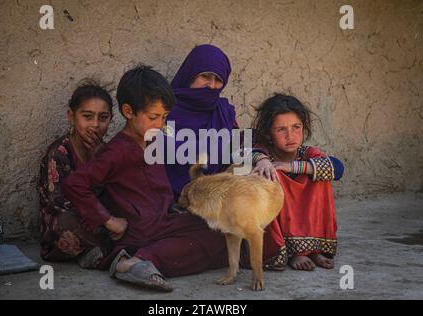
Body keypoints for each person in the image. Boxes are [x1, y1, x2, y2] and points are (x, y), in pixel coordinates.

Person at [61, 65, 228, 292]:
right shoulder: (118, 151)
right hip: (139, 230)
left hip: (163, 222)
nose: (160, 125)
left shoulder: (154, 140)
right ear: (128, 112)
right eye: (153, 117)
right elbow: (75, 184)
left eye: (165, 117)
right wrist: (108, 220)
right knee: (214, 242)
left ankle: (140, 260)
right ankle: (137, 262)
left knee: (221, 229)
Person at [250, 94, 344, 271]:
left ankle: (314, 249)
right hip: (282, 221)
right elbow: (247, 153)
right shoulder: (264, 152)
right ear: (269, 133)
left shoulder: (308, 153)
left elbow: (338, 168)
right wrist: (262, 160)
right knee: (269, 175)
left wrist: (293, 167)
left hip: (308, 215)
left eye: (296, 127)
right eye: (281, 129)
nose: (290, 136)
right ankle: (293, 252)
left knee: (321, 173)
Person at [39, 81, 115, 269]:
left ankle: (99, 251)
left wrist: (101, 159)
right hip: (71, 220)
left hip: (103, 219)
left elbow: (117, 189)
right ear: (71, 117)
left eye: (103, 118)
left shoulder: (106, 151)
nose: (95, 125)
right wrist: (105, 220)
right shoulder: (59, 153)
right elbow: (58, 203)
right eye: (87, 117)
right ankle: (105, 252)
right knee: (64, 223)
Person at [165, 44, 237, 200]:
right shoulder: (163, 111)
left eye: (218, 79)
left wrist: (261, 159)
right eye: (205, 76)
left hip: (215, 201)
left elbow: (238, 153)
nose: (211, 86)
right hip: (167, 201)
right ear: (189, 74)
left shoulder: (225, 112)